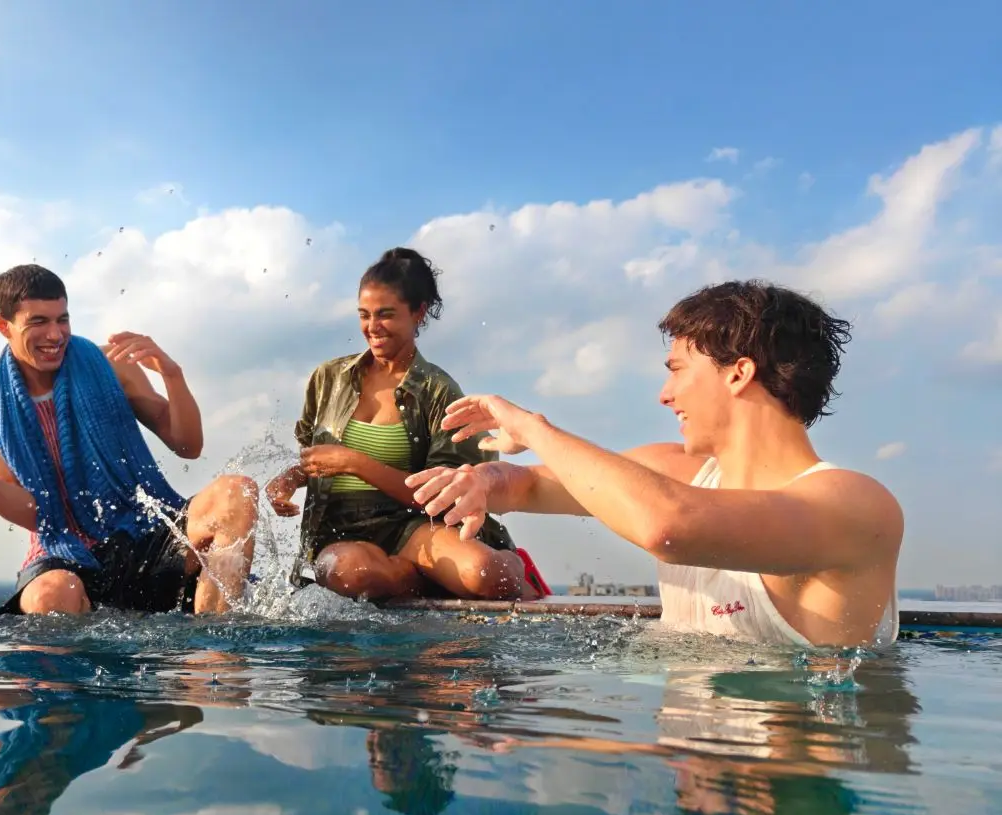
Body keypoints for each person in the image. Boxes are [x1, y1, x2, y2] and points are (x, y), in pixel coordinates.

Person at [406, 280, 904, 648]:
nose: (665, 395)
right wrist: (483, 480)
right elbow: (527, 486)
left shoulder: (856, 504)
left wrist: (534, 428)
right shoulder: (674, 471)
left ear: (738, 374)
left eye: (677, 371)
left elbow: (668, 528)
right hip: (688, 755)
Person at [0, 264, 258, 616]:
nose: (55, 334)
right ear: (3, 325)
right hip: (65, 552)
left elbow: (188, 445)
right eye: (38, 322)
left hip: (146, 531)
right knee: (51, 595)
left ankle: (212, 643)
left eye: (62, 319)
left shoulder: (113, 365)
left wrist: (172, 375)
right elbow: (35, 516)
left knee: (237, 493)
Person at [265, 247, 548, 602]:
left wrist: (357, 464)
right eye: (364, 315)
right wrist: (290, 479)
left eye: (386, 315)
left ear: (418, 313)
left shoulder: (439, 391)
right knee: (351, 574)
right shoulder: (328, 379)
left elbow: (445, 496)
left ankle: (510, 563)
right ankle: (422, 577)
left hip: (413, 526)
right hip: (340, 531)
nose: (372, 327)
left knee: (489, 576)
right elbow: (317, 461)